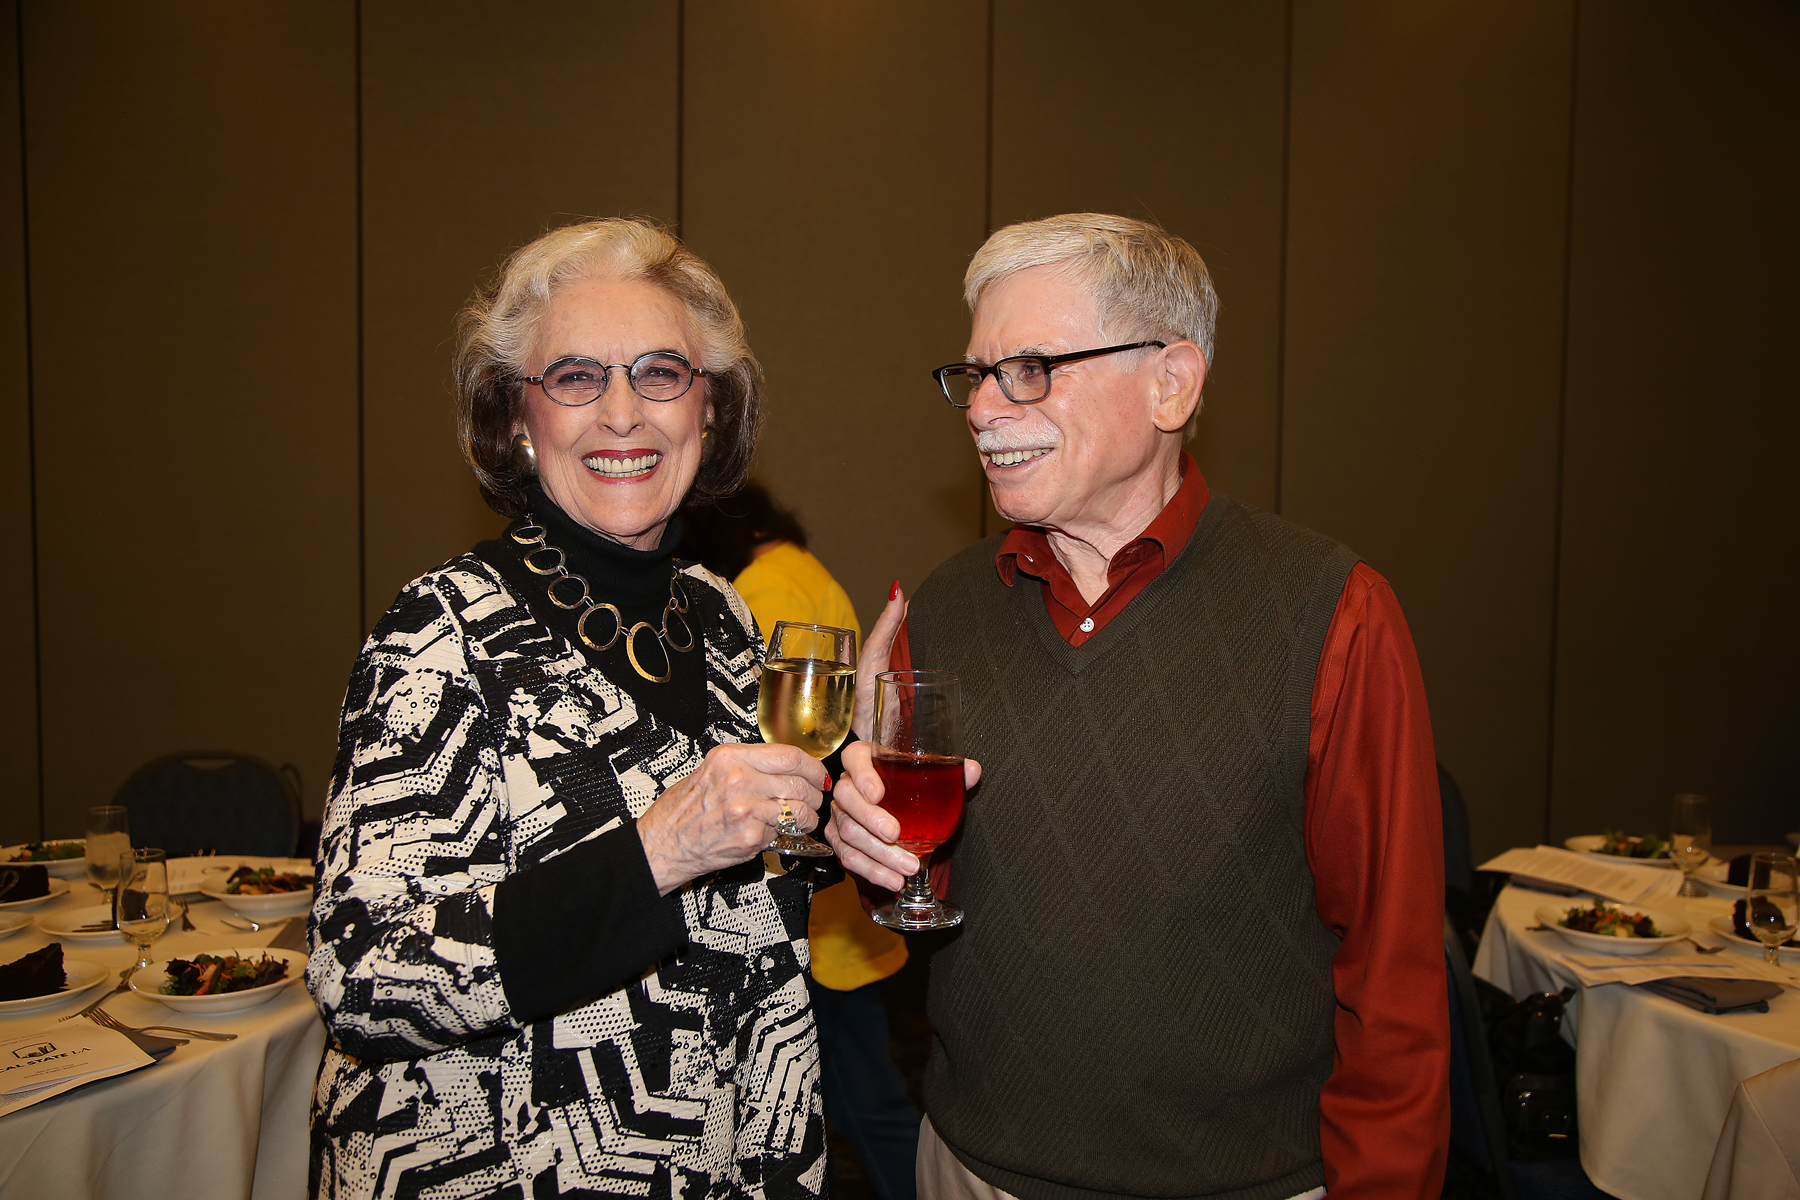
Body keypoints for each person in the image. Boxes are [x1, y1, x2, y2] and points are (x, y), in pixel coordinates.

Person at [827, 214, 1450, 1200]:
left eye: (1030, 368)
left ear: (1172, 382)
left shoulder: (1330, 611)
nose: (984, 408)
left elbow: (1396, 969)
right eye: (975, 373)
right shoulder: (940, 606)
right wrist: (868, 842)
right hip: (967, 1170)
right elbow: (919, 911)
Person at [307, 218, 830, 1199]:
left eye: (661, 373)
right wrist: (655, 851)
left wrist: (842, 811)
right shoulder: (441, 638)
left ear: (708, 409)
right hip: (503, 1166)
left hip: (717, 1155)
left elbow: (738, 882)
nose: (623, 414)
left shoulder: (717, 619)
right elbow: (364, 978)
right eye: (578, 378)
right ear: (516, 416)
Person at [682, 484, 922, 1200]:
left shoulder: (759, 589)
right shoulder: (808, 571)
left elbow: (769, 731)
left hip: (813, 916)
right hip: (835, 909)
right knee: (852, 1100)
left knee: (860, 1103)